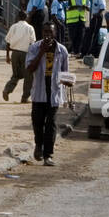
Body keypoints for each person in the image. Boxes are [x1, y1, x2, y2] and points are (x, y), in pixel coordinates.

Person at [25, 23, 70, 166]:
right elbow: (30, 68)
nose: (47, 35)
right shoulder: (34, 48)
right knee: (37, 123)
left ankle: (48, 155)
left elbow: (65, 73)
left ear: (54, 33)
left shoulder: (62, 51)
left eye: (50, 32)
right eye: (45, 32)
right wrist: (41, 52)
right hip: (39, 92)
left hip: (54, 94)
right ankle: (39, 145)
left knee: (51, 125)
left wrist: (68, 83)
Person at [3, 10, 37, 102]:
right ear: (26, 17)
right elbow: (32, 44)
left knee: (16, 75)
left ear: (18, 17)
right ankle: (25, 97)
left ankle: (7, 90)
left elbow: (8, 42)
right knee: (28, 76)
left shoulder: (13, 26)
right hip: (26, 54)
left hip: (15, 53)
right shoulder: (30, 28)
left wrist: (7, 56)